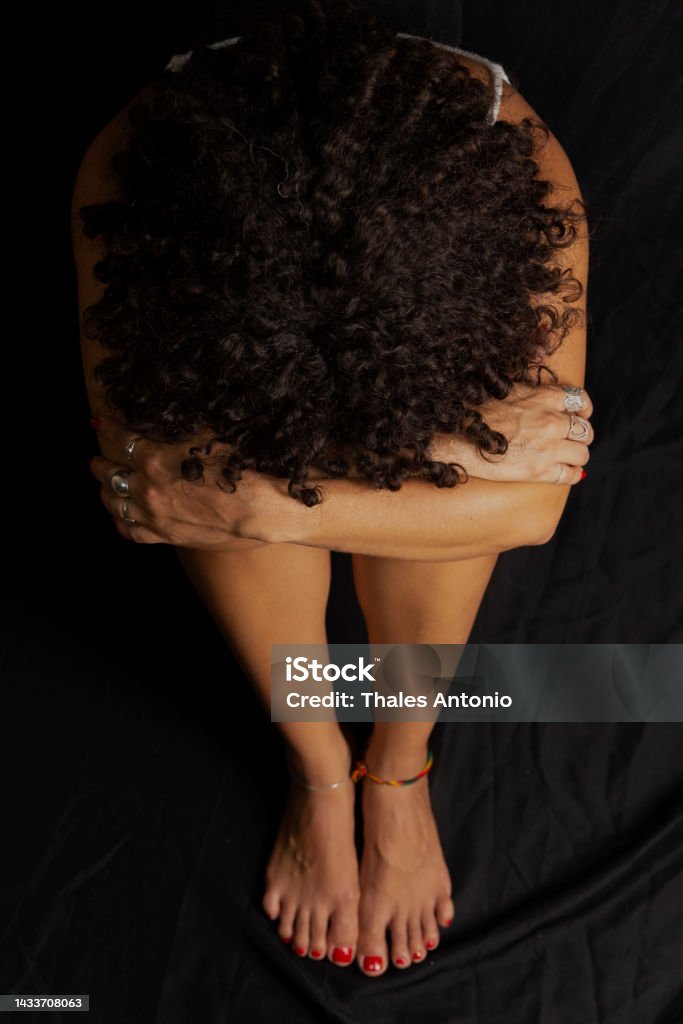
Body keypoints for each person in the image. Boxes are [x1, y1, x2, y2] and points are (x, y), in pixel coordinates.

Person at [72, 0, 593, 979]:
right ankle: (317, 767)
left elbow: (530, 509)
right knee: (413, 466)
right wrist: (252, 488)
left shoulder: (519, 168)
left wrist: (258, 500)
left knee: (254, 491)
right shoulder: (127, 178)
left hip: (370, 368)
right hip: (229, 353)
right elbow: (142, 483)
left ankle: (396, 765)